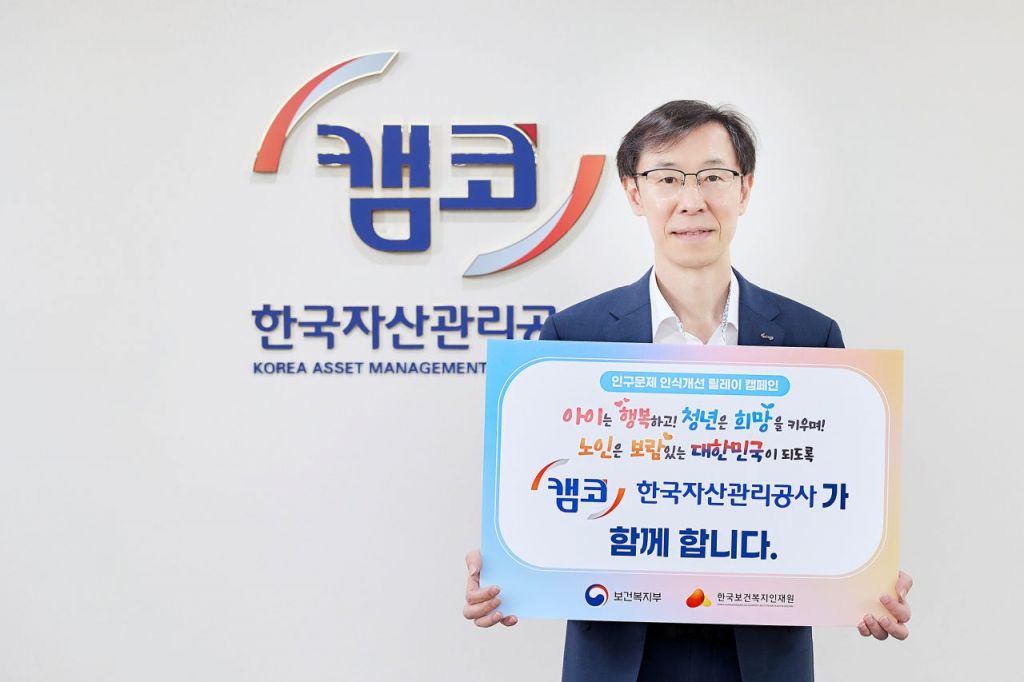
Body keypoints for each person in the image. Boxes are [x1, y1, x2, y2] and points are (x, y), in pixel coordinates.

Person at [462, 100, 913, 681]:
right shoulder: (573, 338)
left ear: (745, 189)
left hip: (761, 657)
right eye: (668, 178)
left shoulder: (812, 337)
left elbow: (836, 499)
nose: (692, 200)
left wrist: (868, 581)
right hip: (619, 655)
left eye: (713, 177)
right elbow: (546, 494)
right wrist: (506, 565)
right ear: (634, 193)